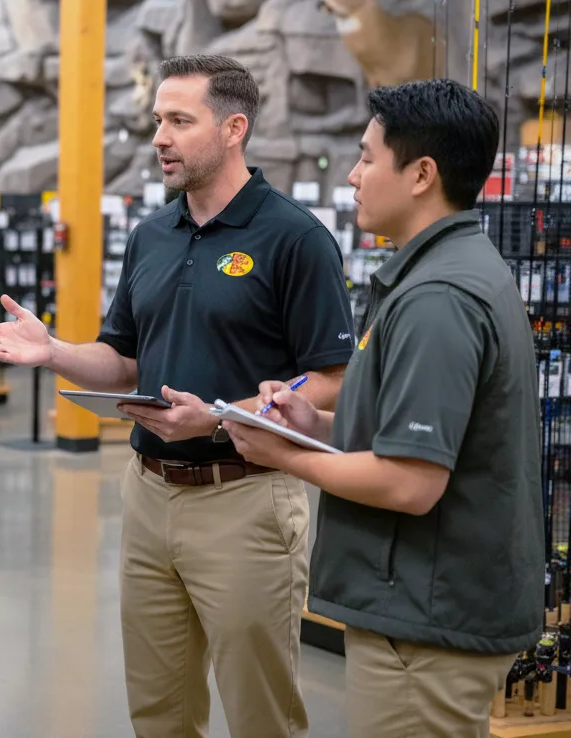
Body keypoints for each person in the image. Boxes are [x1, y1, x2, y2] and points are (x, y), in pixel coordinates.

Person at [0, 54, 355, 737]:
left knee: (260, 714)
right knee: (159, 713)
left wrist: (223, 416)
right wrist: (53, 351)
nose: (160, 138)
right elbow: (122, 362)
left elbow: (331, 376)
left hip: (246, 499)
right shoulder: (152, 235)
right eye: (157, 121)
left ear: (234, 128)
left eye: (180, 121)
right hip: (148, 497)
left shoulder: (295, 239)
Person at [225, 78, 544, 738]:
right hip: (430, 612)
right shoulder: (450, 270)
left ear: (421, 173)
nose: (353, 174)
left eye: (368, 157)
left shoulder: (439, 298)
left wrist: (283, 456)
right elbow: (418, 434)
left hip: (425, 625)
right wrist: (313, 426)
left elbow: (410, 481)